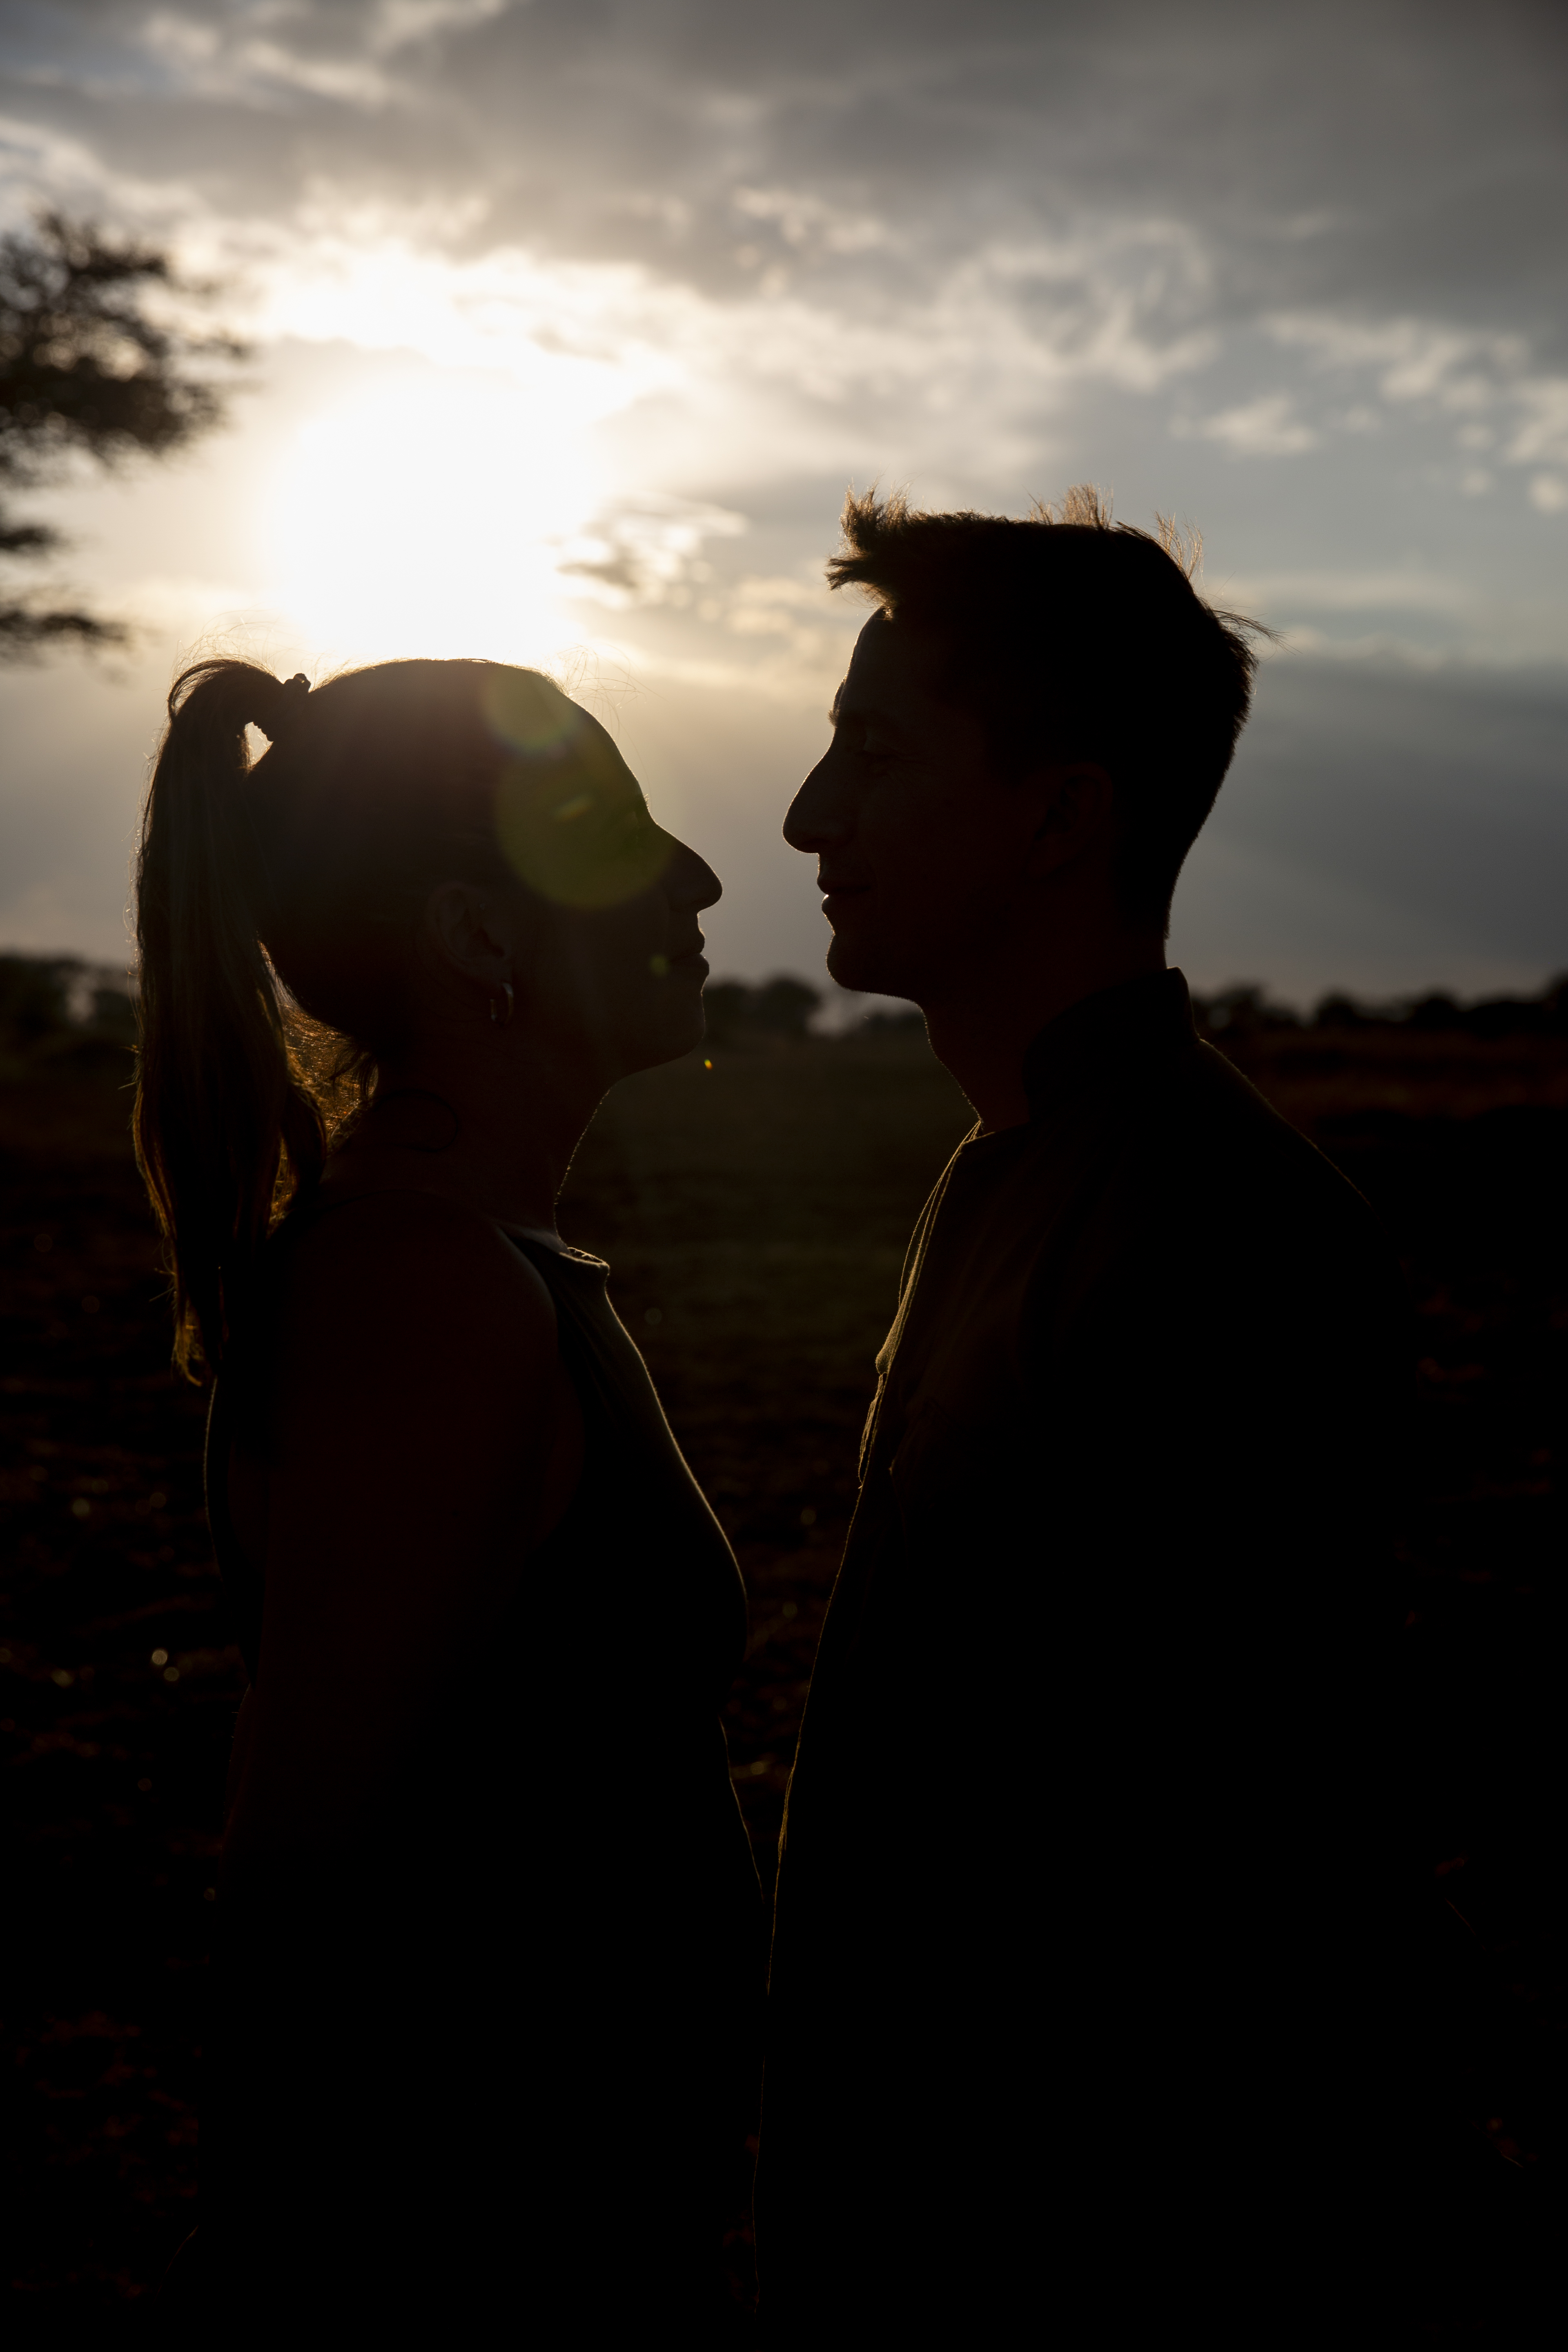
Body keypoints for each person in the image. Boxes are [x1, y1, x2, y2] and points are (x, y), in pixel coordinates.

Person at [756, 490, 1416, 2341]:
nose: (807, 817)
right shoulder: (1019, 1167)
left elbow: (1236, 1904)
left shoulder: (1224, 1238)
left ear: (1062, 821)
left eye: (875, 756)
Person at [135, 657, 762, 2336]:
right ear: (478, 933)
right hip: (466, 2287)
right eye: (612, 832)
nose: (700, 877)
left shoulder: (478, 1261)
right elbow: (303, 1860)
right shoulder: (425, 1291)